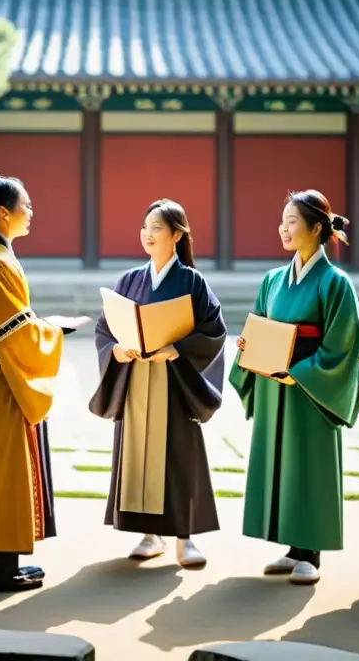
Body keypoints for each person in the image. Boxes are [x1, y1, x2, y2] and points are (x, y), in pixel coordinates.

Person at [0, 172, 87, 592]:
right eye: (27, 205)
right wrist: (54, 330)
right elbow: (15, 334)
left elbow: (6, 322)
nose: (32, 212)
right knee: (2, 472)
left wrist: (42, 326)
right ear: (5, 213)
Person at [228, 190, 359, 586]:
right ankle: (291, 547)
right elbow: (257, 322)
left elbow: (344, 343)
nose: (283, 228)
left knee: (309, 463)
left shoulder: (335, 282)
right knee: (281, 463)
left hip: (309, 384)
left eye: (292, 220)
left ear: (317, 228)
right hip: (274, 382)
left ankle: (312, 553)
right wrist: (247, 349)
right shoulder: (273, 279)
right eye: (282, 219)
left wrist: (302, 372)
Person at [89, 199, 226, 568]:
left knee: (179, 457)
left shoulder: (192, 282)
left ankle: (185, 537)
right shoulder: (129, 280)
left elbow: (214, 331)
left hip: (174, 380)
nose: (147, 235)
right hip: (135, 377)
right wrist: (115, 349)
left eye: (156, 228)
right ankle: (149, 534)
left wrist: (176, 349)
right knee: (139, 458)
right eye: (144, 227)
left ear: (177, 235)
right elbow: (105, 329)